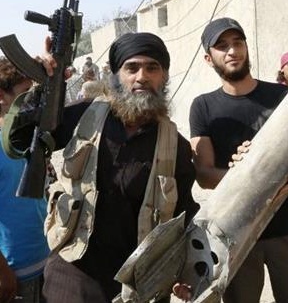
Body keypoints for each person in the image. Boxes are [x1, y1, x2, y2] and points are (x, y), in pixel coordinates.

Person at [3, 33, 199, 303]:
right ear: (117, 76)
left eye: (152, 68)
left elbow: (183, 216)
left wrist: (183, 274)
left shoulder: (175, 144)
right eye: (132, 68)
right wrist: (44, 88)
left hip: (137, 286)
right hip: (73, 275)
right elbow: (17, 141)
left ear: (163, 76)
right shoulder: (84, 115)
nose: (142, 76)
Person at [189, 17, 288, 303]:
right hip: (235, 238)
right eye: (222, 46)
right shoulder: (203, 107)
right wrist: (247, 171)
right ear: (208, 58)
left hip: (287, 230)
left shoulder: (282, 96)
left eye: (238, 43)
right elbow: (204, 174)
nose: (232, 51)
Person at [0, 56, 48, 303]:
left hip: (50, 259)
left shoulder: (36, 136)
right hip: (15, 271)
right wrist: (2, 271)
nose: (33, 100)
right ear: (1, 96)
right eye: (25, 94)